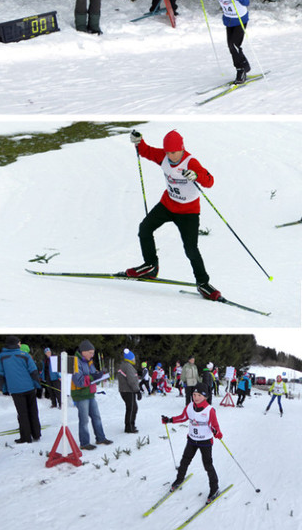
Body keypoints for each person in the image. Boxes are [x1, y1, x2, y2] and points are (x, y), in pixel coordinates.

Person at [128, 129, 221, 300]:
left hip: (188, 212)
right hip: (168, 204)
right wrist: (138, 141)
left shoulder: (190, 162)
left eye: (174, 152)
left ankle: (203, 283)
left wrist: (196, 175)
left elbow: (209, 181)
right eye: (168, 152)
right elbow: (146, 151)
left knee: (191, 249)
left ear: (182, 148)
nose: (171, 156)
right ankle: (150, 266)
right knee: (145, 229)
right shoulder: (163, 156)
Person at [162, 382, 223, 503]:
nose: (196, 397)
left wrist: (217, 433)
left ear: (205, 396)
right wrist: (170, 420)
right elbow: (183, 417)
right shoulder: (190, 406)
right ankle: (179, 479)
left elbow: (214, 425)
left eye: (199, 395)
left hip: (205, 441)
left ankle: (214, 488)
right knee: (184, 461)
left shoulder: (209, 410)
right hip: (192, 440)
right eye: (194, 394)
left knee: (208, 465)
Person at [197, 0, 251, 84]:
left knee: (234, 46)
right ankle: (245, 65)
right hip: (229, 21)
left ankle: (241, 70)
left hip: (240, 19)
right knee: (231, 46)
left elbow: (246, 2)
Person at [0, 335, 42, 443]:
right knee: (33, 411)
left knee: (22, 414)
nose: (20, 344)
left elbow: (0, 375)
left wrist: (4, 389)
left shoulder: (1, 357)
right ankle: (36, 434)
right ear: (15, 344)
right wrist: (38, 386)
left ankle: (26, 437)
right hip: (29, 388)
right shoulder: (24, 355)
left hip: (16, 390)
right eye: (19, 343)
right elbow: (33, 371)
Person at [71, 339, 112, 450]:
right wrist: (94, 377)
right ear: (83, 351)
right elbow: (78, 381)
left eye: (93, 353)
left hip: (90, 393)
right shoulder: (75, 361)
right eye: (90, 352)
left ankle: (101, 438)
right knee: (84, 420)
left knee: (96, 416)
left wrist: (99, 375)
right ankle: (84, 443)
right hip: (80, 394)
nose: (92, 355)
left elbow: (93, 377)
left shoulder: (89, 361)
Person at [117, 348, 140, 433]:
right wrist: (137, 390)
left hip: (125, 390)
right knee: (132, 408)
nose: (134, 360)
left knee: (132, 407)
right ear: (130, 359)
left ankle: (130, 425)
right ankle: (129, 426)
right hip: (128, 390)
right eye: (133, 358)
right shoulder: (128, 367)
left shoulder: (124, 365)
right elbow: (132, 380)